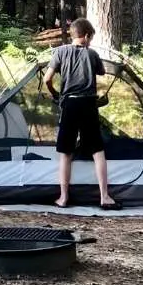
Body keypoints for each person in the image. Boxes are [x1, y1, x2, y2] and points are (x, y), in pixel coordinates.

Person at [43, 18, 119, 209]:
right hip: (88, 104)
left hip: (69, 104)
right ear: (86, 36)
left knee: (66, 153)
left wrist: (56, 94)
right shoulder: (92, 54)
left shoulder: (59, 52)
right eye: (91, 38)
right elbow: (101, 73)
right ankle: (104, 197)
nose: (91, 41)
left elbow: (47, 79)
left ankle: (63, 198)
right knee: (97, 150)